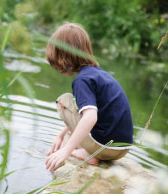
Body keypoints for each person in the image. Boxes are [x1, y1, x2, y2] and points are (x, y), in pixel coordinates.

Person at [45, 22, 133, 171]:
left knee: (64, 101)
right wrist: (61, 135)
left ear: (65, 56)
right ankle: (84, 149)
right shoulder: (99, 74)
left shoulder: (82, 80)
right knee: (75, 121)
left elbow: (90, 117)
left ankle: (88, 154)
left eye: (57, 61)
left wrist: (65, 152)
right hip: (122, 148)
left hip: (103, 147)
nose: (56, 67)